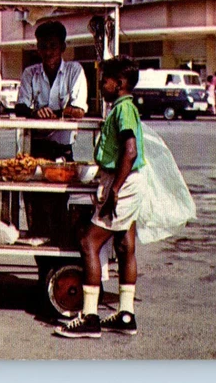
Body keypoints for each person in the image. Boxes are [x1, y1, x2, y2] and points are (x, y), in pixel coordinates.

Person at [56, 56, 145, 338]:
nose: (100, 85)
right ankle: (126, 313)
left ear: (118, 84)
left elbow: (129, 151)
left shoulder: (123, 111)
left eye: (104, 79)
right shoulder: (122, 108)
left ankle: (90, 316)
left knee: (88, 242)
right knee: (125, 244)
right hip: (128, 180)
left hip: (123, 182)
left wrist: (114, 189)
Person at [15, 21, 88, 249]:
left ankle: (58, 258)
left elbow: (78, 110)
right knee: (35, 209)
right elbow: (20, 107)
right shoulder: (30, 73)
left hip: (61, 151)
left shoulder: (75, 71)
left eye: (53, 46)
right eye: (43, 46)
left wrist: (52, 113)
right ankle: (41, 261)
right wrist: (36, 112)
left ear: (63, 47)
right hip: (34, 150)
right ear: (37, 48)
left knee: (58, 207)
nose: (48, 52)